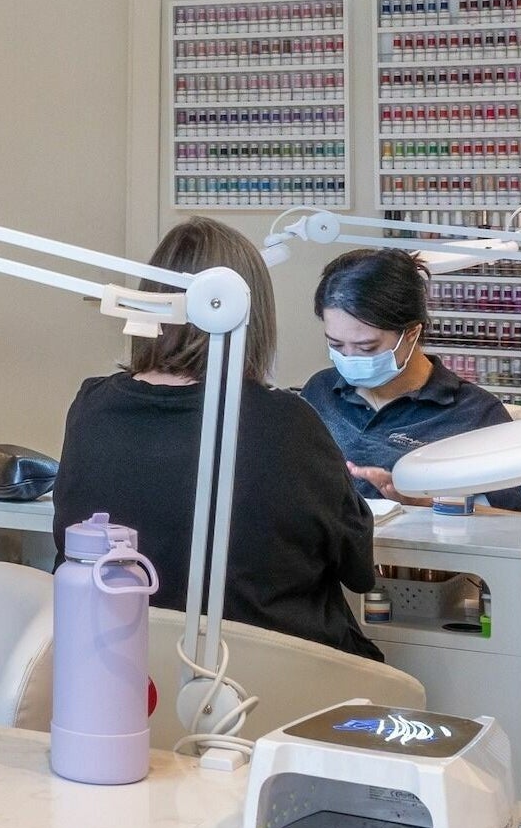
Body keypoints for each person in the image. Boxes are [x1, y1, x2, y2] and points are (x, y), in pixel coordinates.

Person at [52, 221, 382, 661]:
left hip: (126, 670)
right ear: (250, 312)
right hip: (278, 676)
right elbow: (358, 570)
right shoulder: (286, 421)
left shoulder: (91, 408)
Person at [301, 249, 521, 510]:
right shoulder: (319, 392)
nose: (350, 358)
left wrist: (427, 505)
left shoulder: (475, 414)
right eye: (337, 345)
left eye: (367, 348)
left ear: (411, 332)